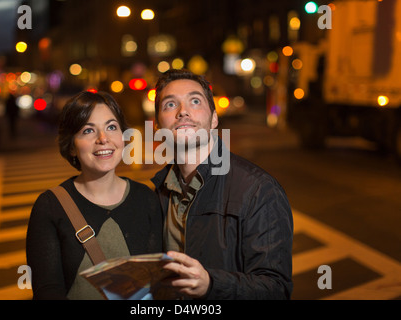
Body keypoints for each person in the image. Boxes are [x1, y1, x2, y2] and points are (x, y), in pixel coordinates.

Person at [151, 69, 293, 299]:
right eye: (170, 105)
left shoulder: (258, 190)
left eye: (195, 101)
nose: (183, 112)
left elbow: (276, 289)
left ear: (214, 119)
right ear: (157, 125)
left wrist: (211, 284)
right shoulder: (158, 192)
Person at [26, 91, 162, 299]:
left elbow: (156, 287)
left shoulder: (147, 199)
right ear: (71, 146)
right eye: (88, 130)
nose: (103, 139)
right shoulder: (50, 207)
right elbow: (47, 290)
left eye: (111, 127)